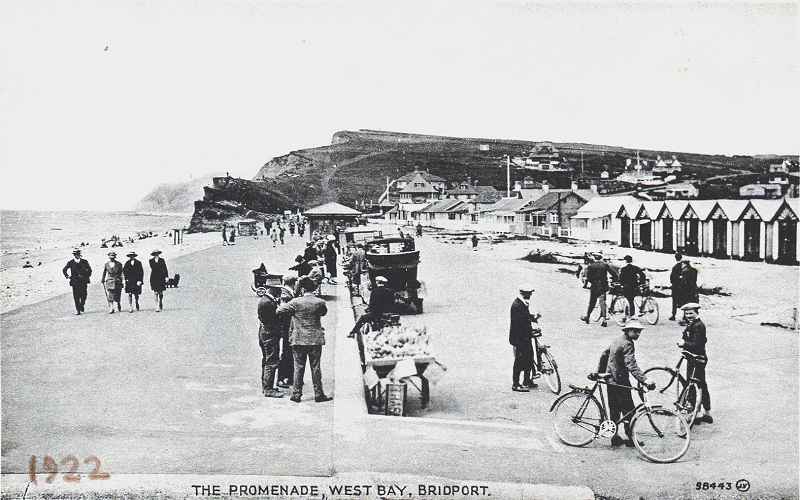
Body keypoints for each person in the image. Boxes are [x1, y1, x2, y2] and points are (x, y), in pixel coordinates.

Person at [594, 320, 655, 447]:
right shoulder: (628, 344)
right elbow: (631, 365)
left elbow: (604, 354)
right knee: (629, 410)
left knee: (614, 409)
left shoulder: (617, 339)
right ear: (627, 331)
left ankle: (614, 437)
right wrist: (645, 380)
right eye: (635, 331)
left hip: (610, 379)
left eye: (639, 332)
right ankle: (631, 438)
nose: (638, 334)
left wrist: (600, 372)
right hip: (620, 380)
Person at [276, 277, 332, 403]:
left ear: (302, 289)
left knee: (298, 367)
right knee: (316, 367)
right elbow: (323, 313)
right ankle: (319, 394)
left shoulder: (296, 302)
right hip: (315, 338)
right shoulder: (320, 302)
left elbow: (279, 310)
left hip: (299, 338)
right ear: (314, 288)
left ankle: (296, 394)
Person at [677, 303, 712, 424]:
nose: (688, 315)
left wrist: (684, 344)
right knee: (699, 384)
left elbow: (697, 344)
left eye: (691, 313)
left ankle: (698, 413)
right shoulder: (693, 324)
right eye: (686, 313)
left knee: (694, 384)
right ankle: (704, 412)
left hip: (697, 359)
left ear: (697, 313)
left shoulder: (699, 326)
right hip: (693, 358)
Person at [509, 284, 539, 392]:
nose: (530, 295)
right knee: (519, 360)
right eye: (529, 293)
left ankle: (527, 380)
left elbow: (525, 317)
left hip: (525, 337)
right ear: (523, 293)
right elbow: (520, 324)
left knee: (530, 358)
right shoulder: (517, 305)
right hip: (519, 338)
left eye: (531, 293)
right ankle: (515, 384)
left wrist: (533, 317)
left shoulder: (522, 303)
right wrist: (531, 331)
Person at [258, 286, 285, 398]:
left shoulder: (264, 300)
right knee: (272, 360)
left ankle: (266, 386)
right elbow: (275, 319)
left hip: (264, 333)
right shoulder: (269, 303)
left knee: (266, 359)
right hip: (271, 334)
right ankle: (268, 389)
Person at [581, 254, 611, 327]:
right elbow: (613, 273)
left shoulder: (591, 266)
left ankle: (587, 317)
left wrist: (587, 284)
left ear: (594, 258)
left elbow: (588, 277)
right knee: (602, 302)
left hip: (595, 286)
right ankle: (604, 320)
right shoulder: (605, 265)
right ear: (601, 258)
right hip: (603, 286)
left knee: (592, 302)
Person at [62, 249, 92, 315]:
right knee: (76, 296)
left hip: (83, 281)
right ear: (74, 255)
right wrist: (67, 276)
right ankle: (77, 309)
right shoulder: (71, 262)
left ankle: (82, 305)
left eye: (78, 254)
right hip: (75, 281)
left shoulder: (84, 261)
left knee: (84, 295)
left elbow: (90, 270)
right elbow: (64, 269)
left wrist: (86, 276)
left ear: (80, 254)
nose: (77, 255)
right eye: (75, 254)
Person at [277, 285, 295, 389]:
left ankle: (289, 377)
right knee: (286, 356)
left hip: (288, 332)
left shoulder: (286, 294)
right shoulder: (286, 297)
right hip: (287, 332)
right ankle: (282, 377)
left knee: (289, 355)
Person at [668, 252, 684, 320]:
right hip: (683, 286)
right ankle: (684, 316)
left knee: (674, 302)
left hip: (676, 287)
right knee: (684, 301)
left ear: (675, 258)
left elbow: (672, 278)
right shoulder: (684, 266)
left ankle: (673, 315)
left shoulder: (675, 267)